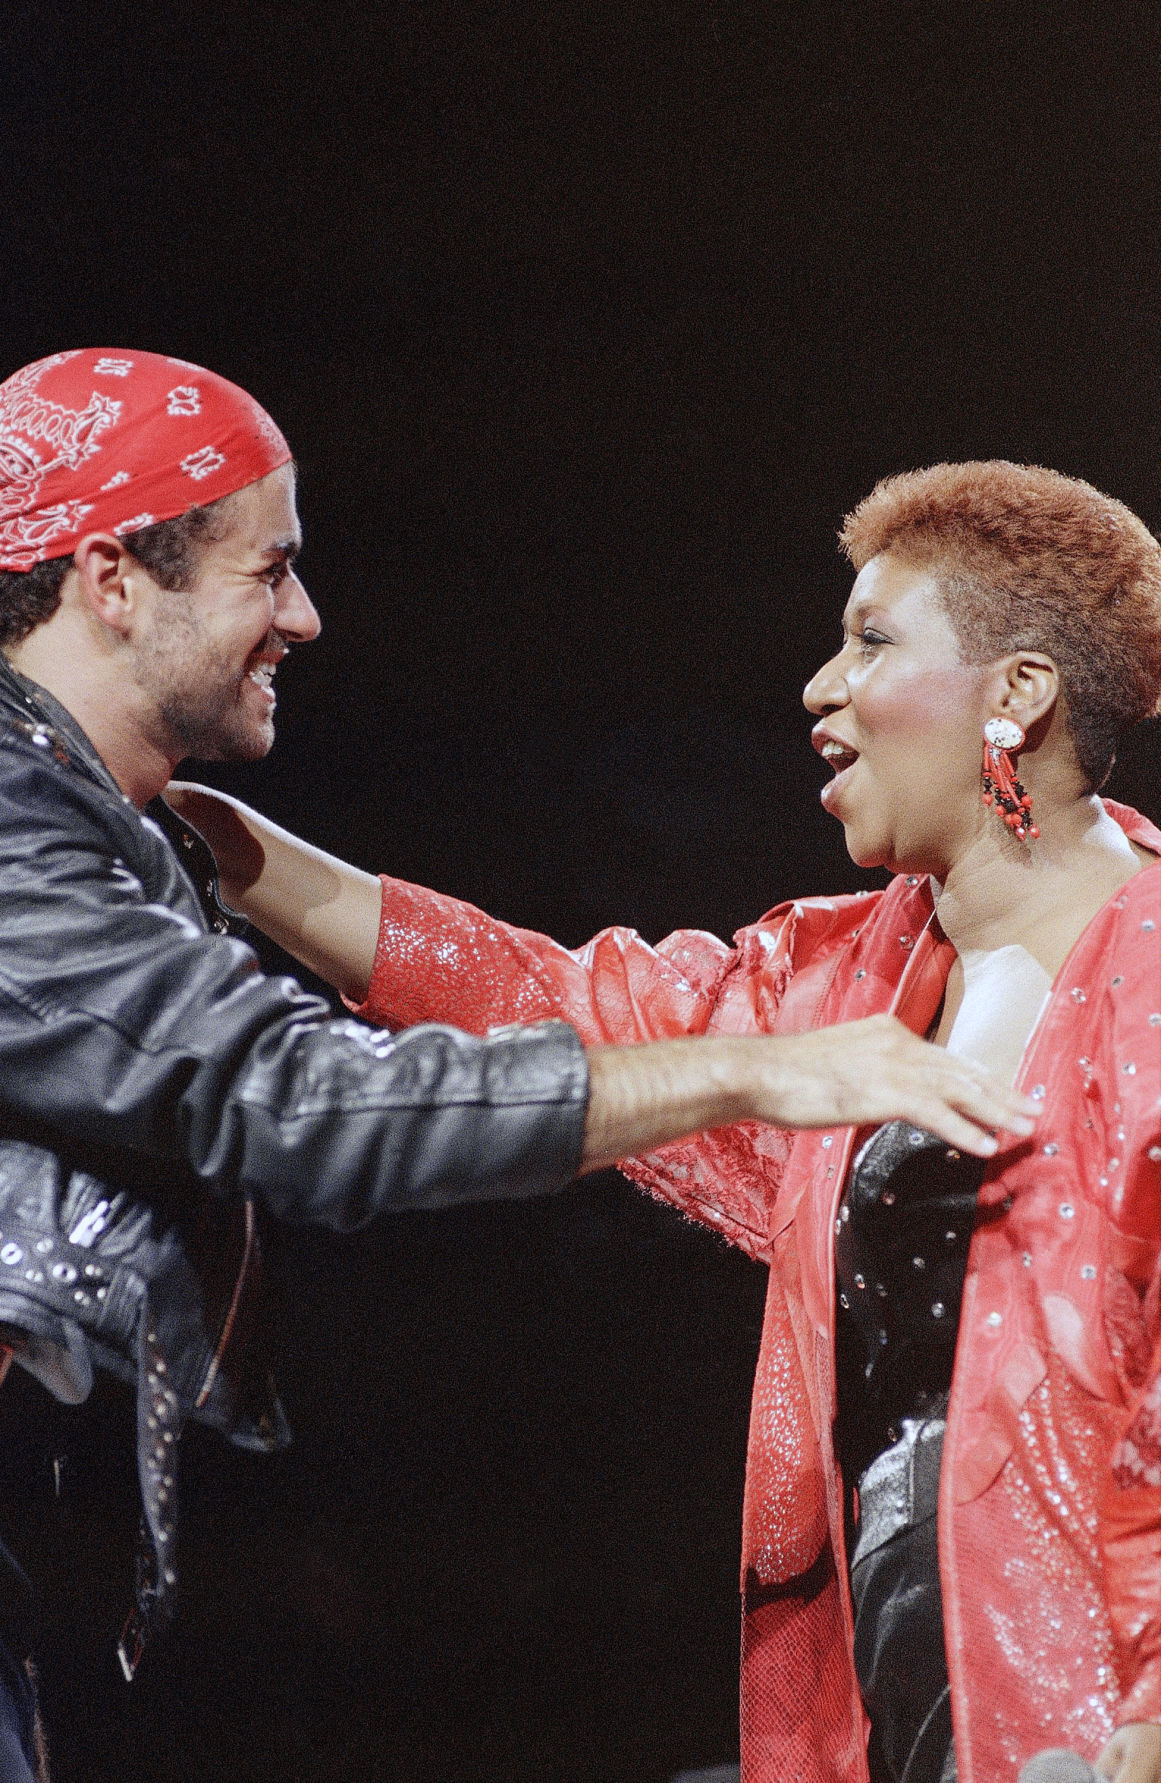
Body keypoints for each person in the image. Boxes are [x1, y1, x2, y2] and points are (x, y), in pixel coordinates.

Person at [0, 353, 1026, 1783]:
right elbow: (301, 1097)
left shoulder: (126, 837)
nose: (304, 614)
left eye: (869, 643)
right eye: (270, 569)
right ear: (112, 578)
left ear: (1023, 691)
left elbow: (552, 1001)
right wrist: (755, 1071)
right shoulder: (19, 833)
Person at [172, 460, 1161, 1783]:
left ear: (1018, 693)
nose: (821, 687)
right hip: (884, 1703)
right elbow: (535, 999)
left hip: (1092, 1716)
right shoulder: (836, 973)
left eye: (870, 641)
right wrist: (210, 835)